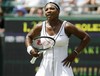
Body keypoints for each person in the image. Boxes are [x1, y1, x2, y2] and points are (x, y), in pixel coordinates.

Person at [25, 2, 91, 76]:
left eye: (52, 8)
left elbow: (86, 38)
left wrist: (75, 53)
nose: (48, 11)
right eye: (46, 9)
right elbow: (28, 37)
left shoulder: (67, 26)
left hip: (63, 65)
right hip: (45, 67)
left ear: (58, 11)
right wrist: (30, 50)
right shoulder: (40, 26)